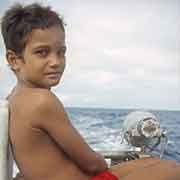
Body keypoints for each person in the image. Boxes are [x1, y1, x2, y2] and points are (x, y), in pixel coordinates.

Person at [1, 3, 180, 180]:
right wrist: (103, 164)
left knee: (149, 163)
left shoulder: (14, 98)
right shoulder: (42, 100)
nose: (55, 61)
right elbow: (92, 164)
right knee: (172, 169)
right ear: (14, 59)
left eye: (61, 52)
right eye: (42, 52)